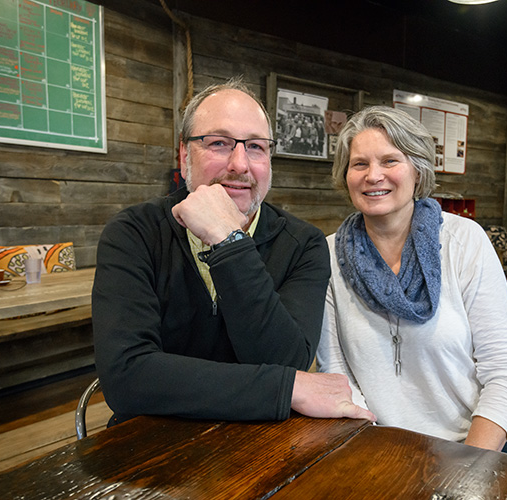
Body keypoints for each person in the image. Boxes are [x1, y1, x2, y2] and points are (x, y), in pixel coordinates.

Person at [92, 78, 374, 426]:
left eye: (255, 146)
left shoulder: (304, 244)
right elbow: (126, 379)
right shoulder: (134, 232)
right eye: (219, 143)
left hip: (260, 444)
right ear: (184, 154)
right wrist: (285, 390)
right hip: (149, 442)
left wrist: (228, 240)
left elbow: (285, 360)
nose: (240, 164)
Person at [317, 106, 507, 461]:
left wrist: (468, 465)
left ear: (417, 170)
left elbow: (505, 369)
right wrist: (383, 456)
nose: (374, 175)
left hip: (482, 435)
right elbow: (337, 376)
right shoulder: (325, 256)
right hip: (380, 443)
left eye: (390, 160)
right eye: (359, 164)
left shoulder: (464, 241)